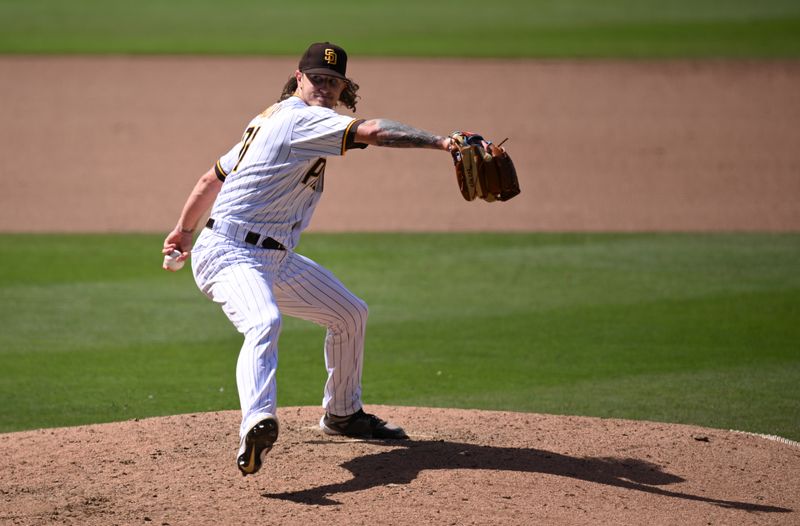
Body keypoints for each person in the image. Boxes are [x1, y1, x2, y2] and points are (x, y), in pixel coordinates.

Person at [162, 42, 455, 476]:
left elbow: (214, 176)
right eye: (317, 78)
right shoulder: (301, 119)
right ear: (298, 78)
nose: (325, 87)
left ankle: (342, 415)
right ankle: (255, 424)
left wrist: (184, 230)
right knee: (264, 321)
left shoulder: (270, 118)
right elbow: (373, 132)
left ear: (342, 87)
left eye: (333, 82)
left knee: (349, 314)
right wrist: (442, 142)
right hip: (230, 252)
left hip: (274, 258)